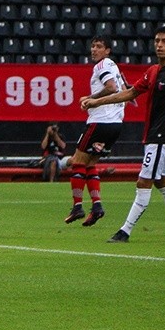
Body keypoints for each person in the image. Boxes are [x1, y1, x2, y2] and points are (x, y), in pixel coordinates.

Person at [80, 24, 165, 242]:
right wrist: (96, 101)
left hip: (163, 136)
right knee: (162, 180)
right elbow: (129, 93)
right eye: (157, 41)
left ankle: (125, 231)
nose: (159, 45)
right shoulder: (153, 71)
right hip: (153, 135)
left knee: (143, 181)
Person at [64, 35, 127, 226]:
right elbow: (123, 90)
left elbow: (110, 87)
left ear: (107, 50)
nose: (94, 50)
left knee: (76, 162)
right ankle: (97, 206)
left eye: (99, 46)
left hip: (100, 122)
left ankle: (77, 207)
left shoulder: (101, 66)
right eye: (92, 46)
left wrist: (91, 98)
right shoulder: (115, 67)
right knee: (90, 165)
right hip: (115, 124)